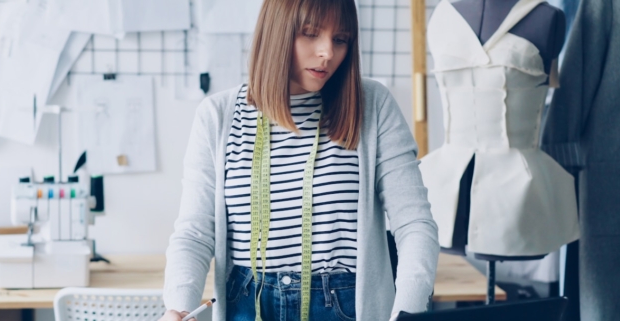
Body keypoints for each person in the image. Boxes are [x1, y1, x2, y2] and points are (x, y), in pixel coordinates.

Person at [160, 0, 438, 320]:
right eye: (310, 33)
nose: (327, 53)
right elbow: (194, 232)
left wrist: (408, 311)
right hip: (246, 304)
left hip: (344, 305)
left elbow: (415, 224)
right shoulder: (217, 116)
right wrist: (178, 306)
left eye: (341, 39)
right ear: (276, 32)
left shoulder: (373, 105)